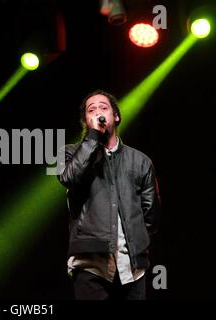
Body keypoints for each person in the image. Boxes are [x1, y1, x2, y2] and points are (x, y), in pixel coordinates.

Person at [57, 90, 161, 300]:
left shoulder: (141, 161)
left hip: (133, 268)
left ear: (116, 116)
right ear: (86, 121)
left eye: (103, 107)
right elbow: (69, 178)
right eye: (91, 110)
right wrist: (93, 137)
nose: (97, 112)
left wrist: (136, 242)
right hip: (90, 264)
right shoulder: (66, 152)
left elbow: (151, 212)